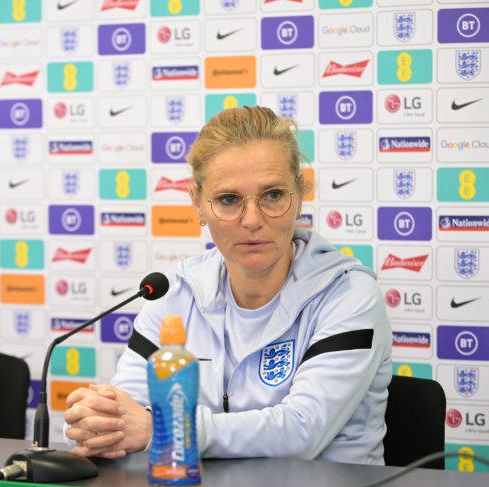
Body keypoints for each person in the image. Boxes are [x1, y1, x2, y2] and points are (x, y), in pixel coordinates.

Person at [64, 106, 392, 464]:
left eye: (272, 195)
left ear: (299, 195)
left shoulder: (349, 295)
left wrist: (164, 429)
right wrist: (98, 421)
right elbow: (127, 405)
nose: (252, 220)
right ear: (198, 205)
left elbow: (303, 432)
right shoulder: (172, 291)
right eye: (228, 200)